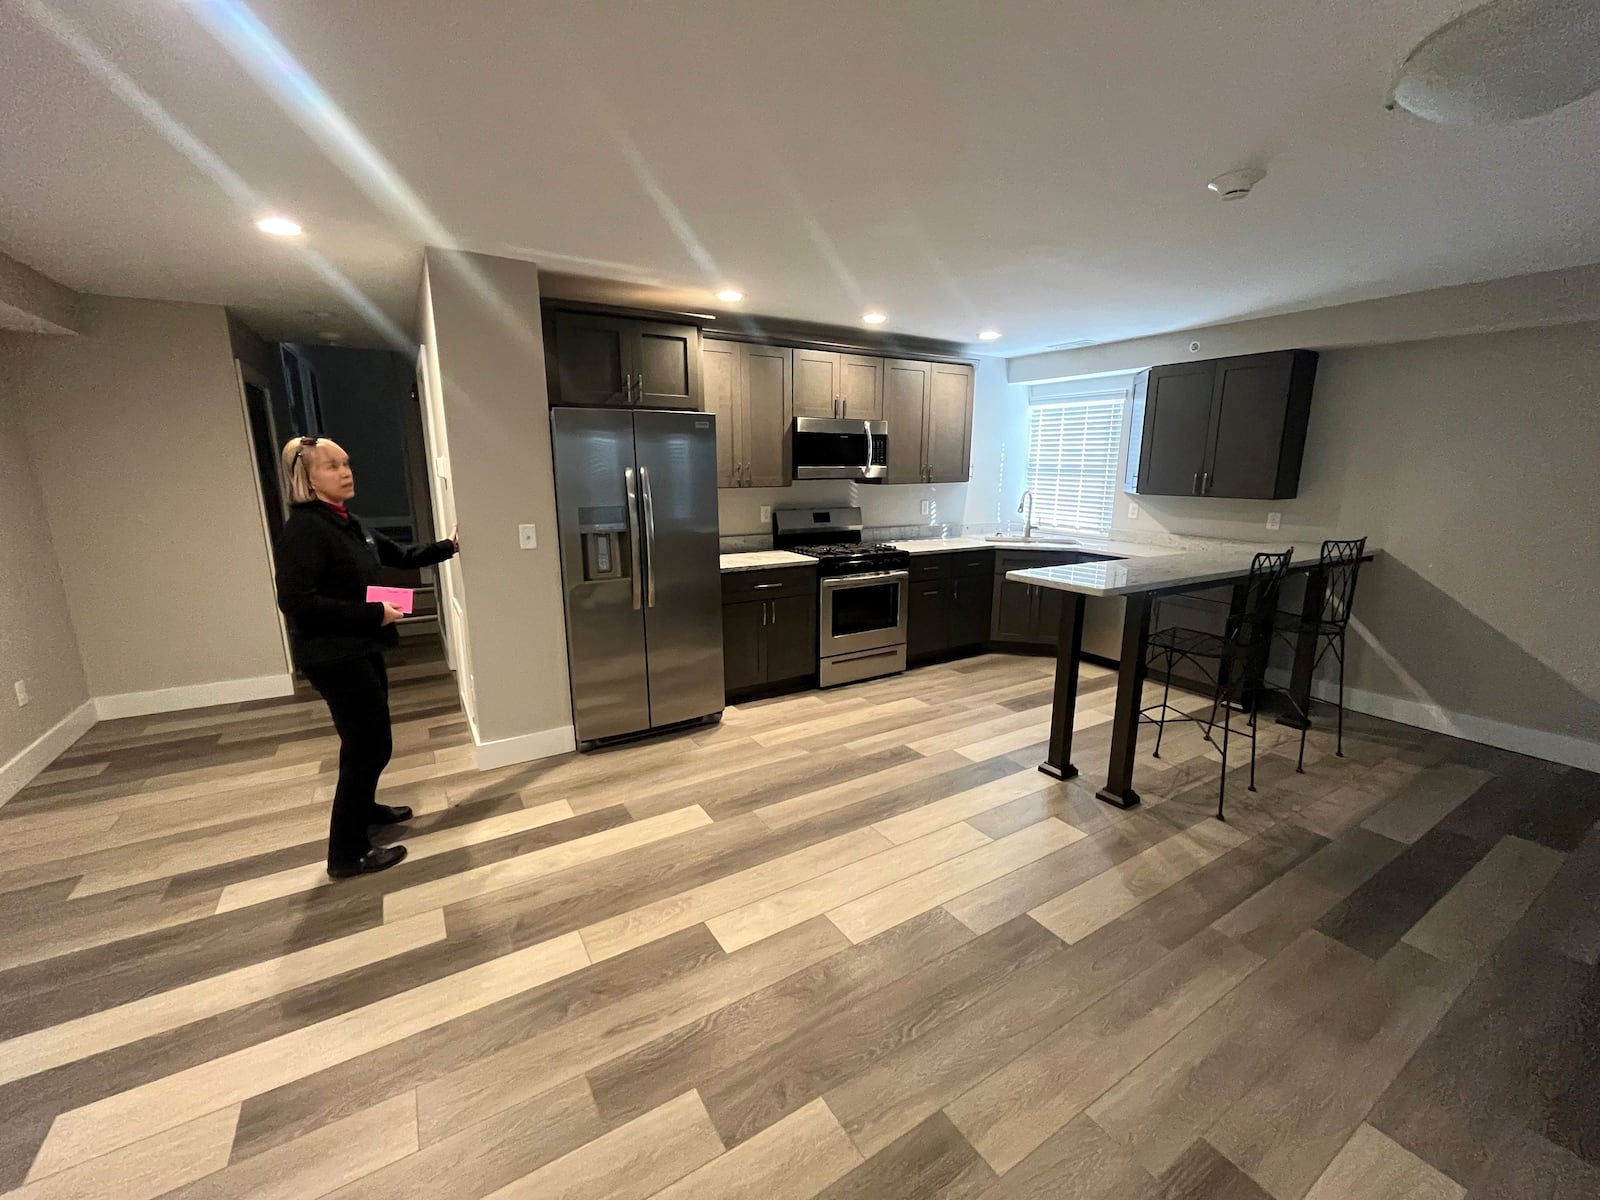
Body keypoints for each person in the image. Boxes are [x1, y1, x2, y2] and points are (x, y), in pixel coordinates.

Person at [273, 435, 459, 878]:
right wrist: (374, 612)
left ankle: (366, 810)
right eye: (333, 466)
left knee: (368, 744)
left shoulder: (344, 521)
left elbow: (395, 555)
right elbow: (295, 602)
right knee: (368, 746)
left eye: (347, 462)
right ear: (307, 478)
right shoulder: (305, 529)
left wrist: (449, 546)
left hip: (360, 647)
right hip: (335, 655)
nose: (346, 471)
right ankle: (346, 853)